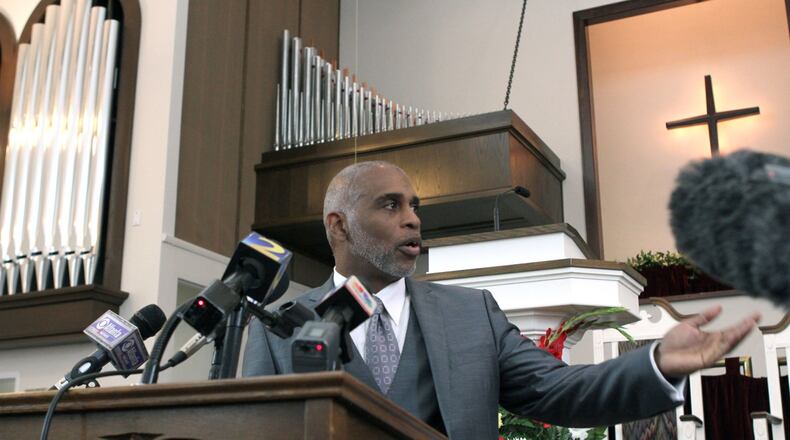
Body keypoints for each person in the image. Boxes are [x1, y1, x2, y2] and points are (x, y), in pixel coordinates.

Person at [243, 161, 759, 439]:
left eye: (415, 206)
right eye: (390, 205)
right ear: (339, 225)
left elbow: (562, 390)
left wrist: (658, 365)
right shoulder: (280, 327)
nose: (413, 219)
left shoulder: (471, 314)